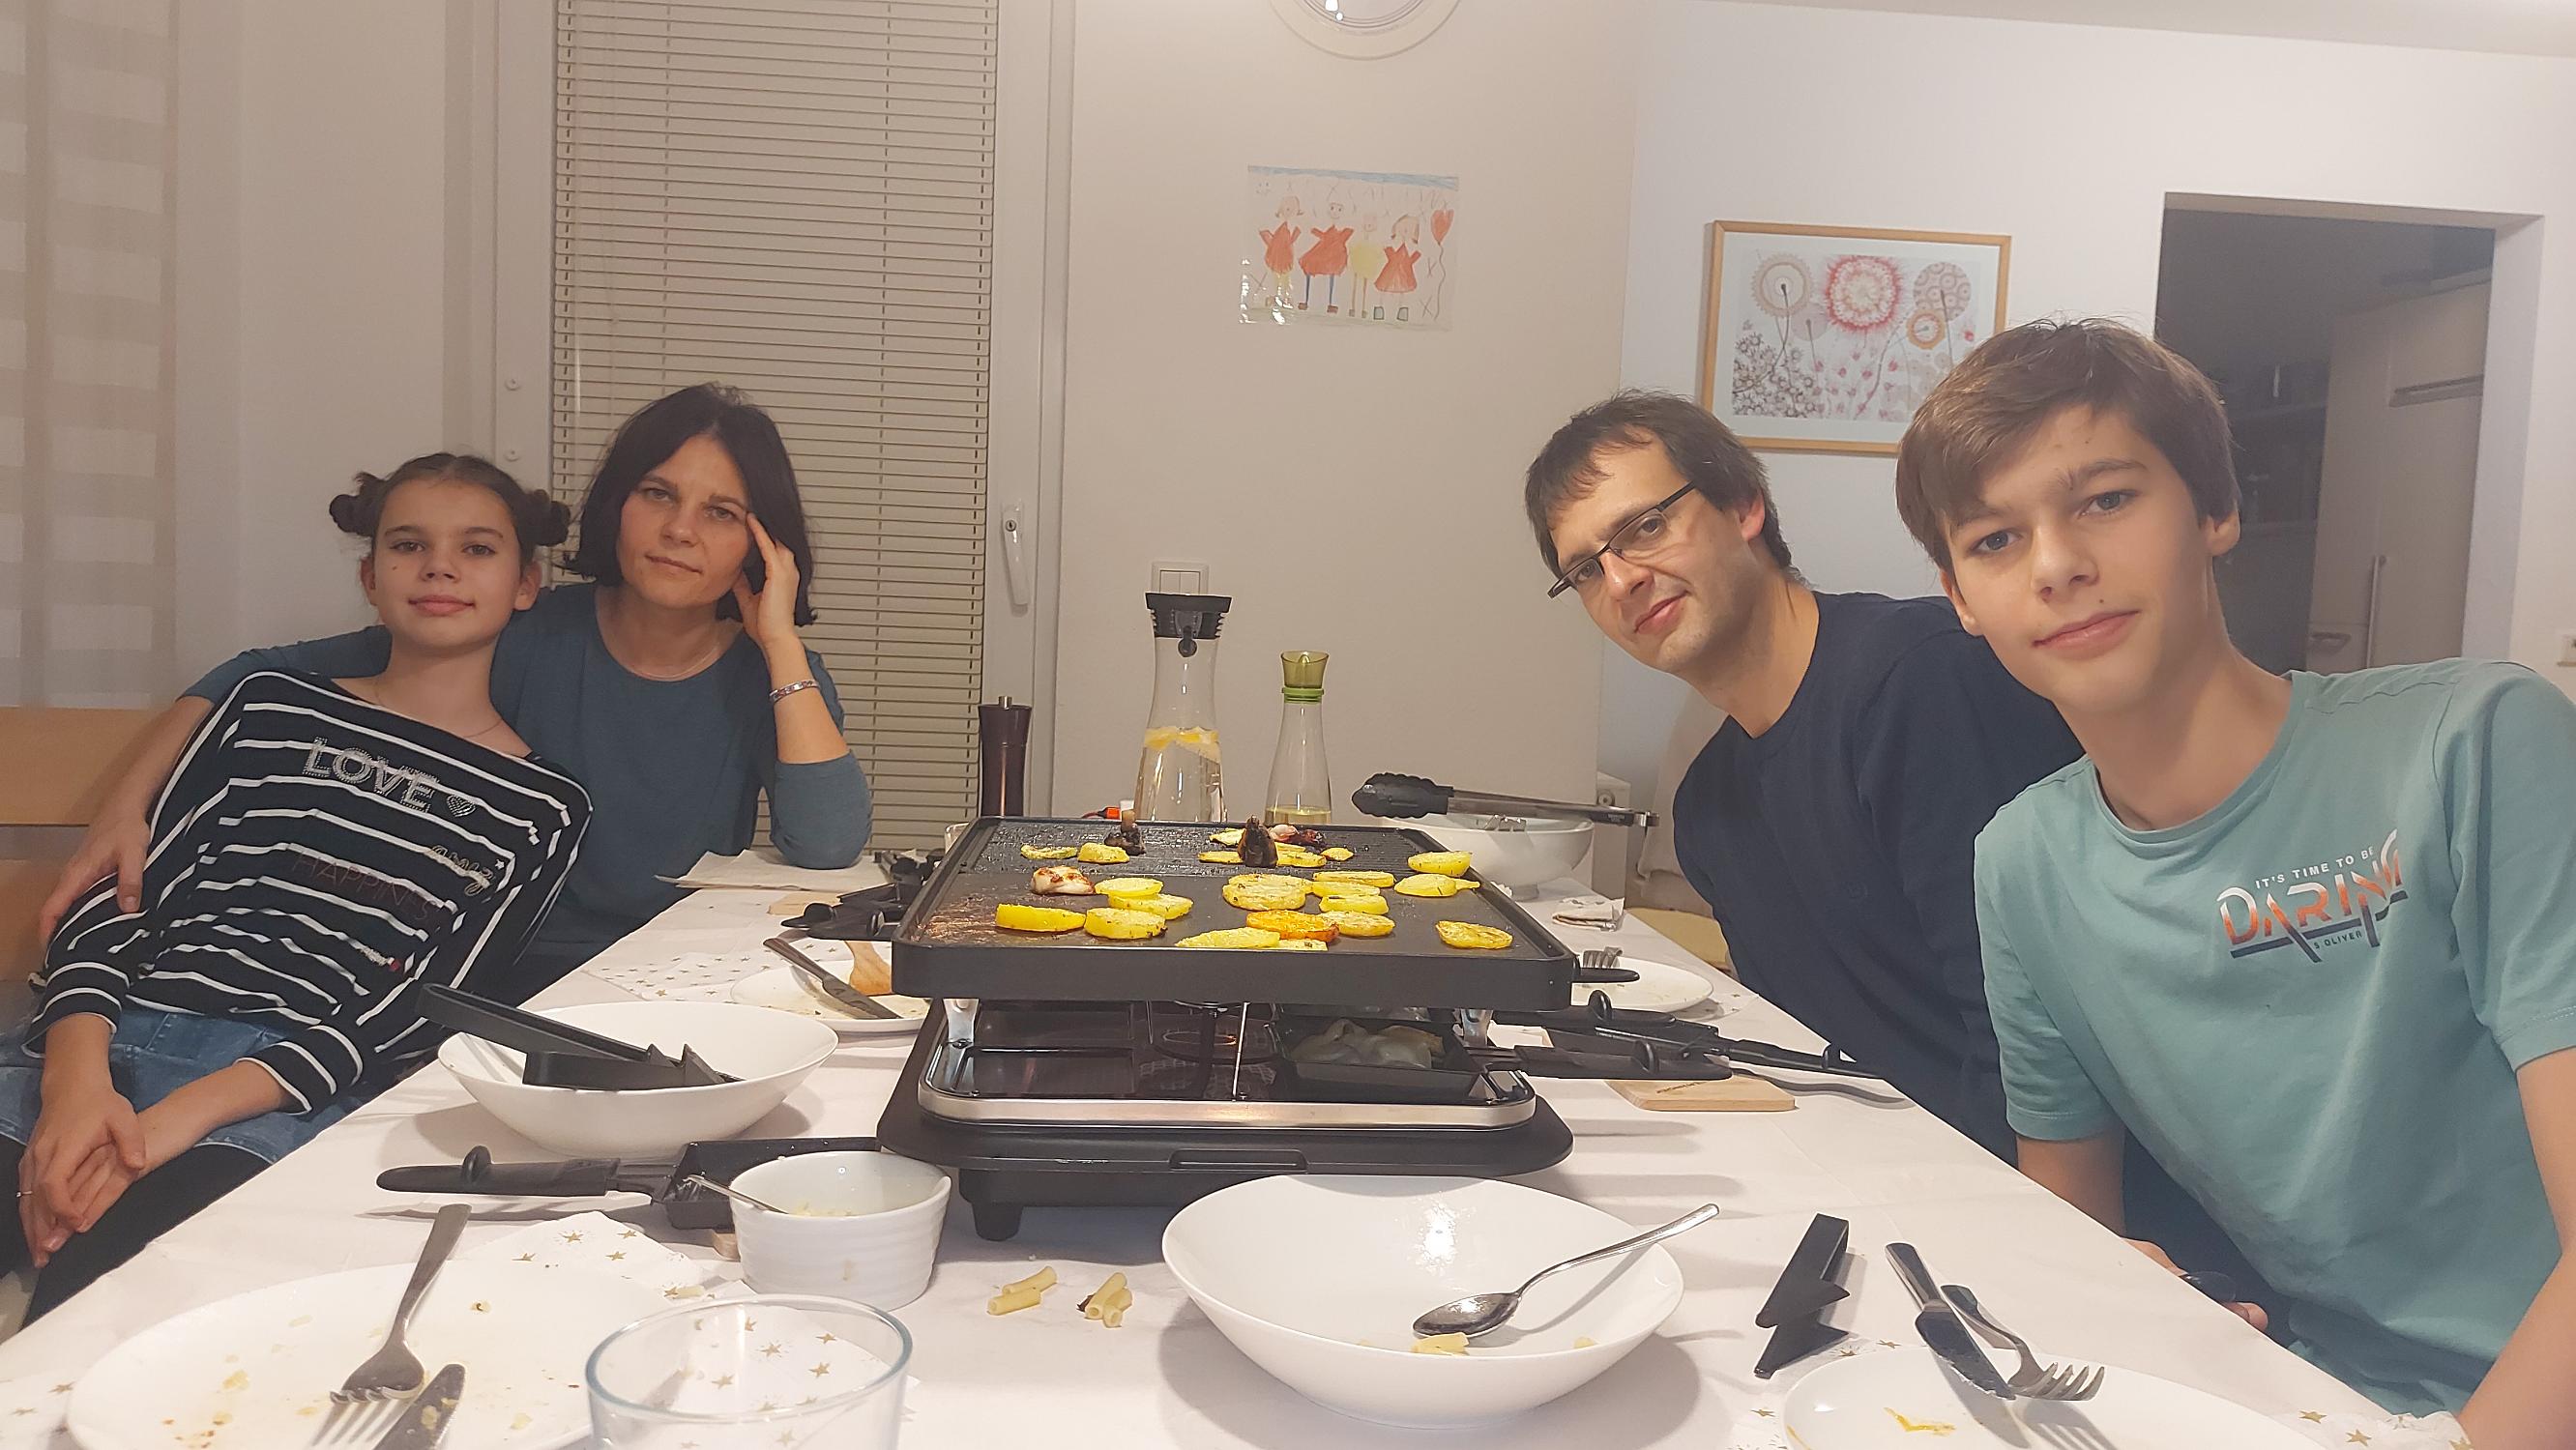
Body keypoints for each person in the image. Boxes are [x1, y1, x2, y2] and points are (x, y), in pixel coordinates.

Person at [1899, 317, 2576, 1440]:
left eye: (2105, 500)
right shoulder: (2022, 864)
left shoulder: (2478, 742)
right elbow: (2073, 1237)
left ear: (2214, 510)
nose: (2056, 565)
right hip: (2328, 1398)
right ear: (1961, 598)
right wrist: (2129, 1294)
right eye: (1995, 539)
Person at [44, 384, 871, 995]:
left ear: (760, 543)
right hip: (478, 979)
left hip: (672, 980)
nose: (680, 529)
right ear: (618, 503)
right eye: (658, 494)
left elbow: (827, 844)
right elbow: (247, 676)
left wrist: (778, 640)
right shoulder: (518, 625)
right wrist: (124, 807)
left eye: (721, 512)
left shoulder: (776, 673)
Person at [7, 455, 589, 1316]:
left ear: (526, 584)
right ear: (370, 576)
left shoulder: (543, 806)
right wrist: (73, 1084)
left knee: (94, 1306)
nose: (439, 567)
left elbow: (420, 1011)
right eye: (409, 545)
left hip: (277, 1095)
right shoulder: (269, 705)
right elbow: (124, 891)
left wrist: (177, 1120)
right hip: (101, 1034)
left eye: (476, 548)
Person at [1523, 391, 2077, 1156]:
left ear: (1744, 506)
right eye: (1586, 569)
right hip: (1875, 1174)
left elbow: (2041, 1034)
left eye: (1645, 527)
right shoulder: (1711, 807)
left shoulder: (1919, 682)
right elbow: (1809, 1056)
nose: (1621, 582)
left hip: (2031, 1188)